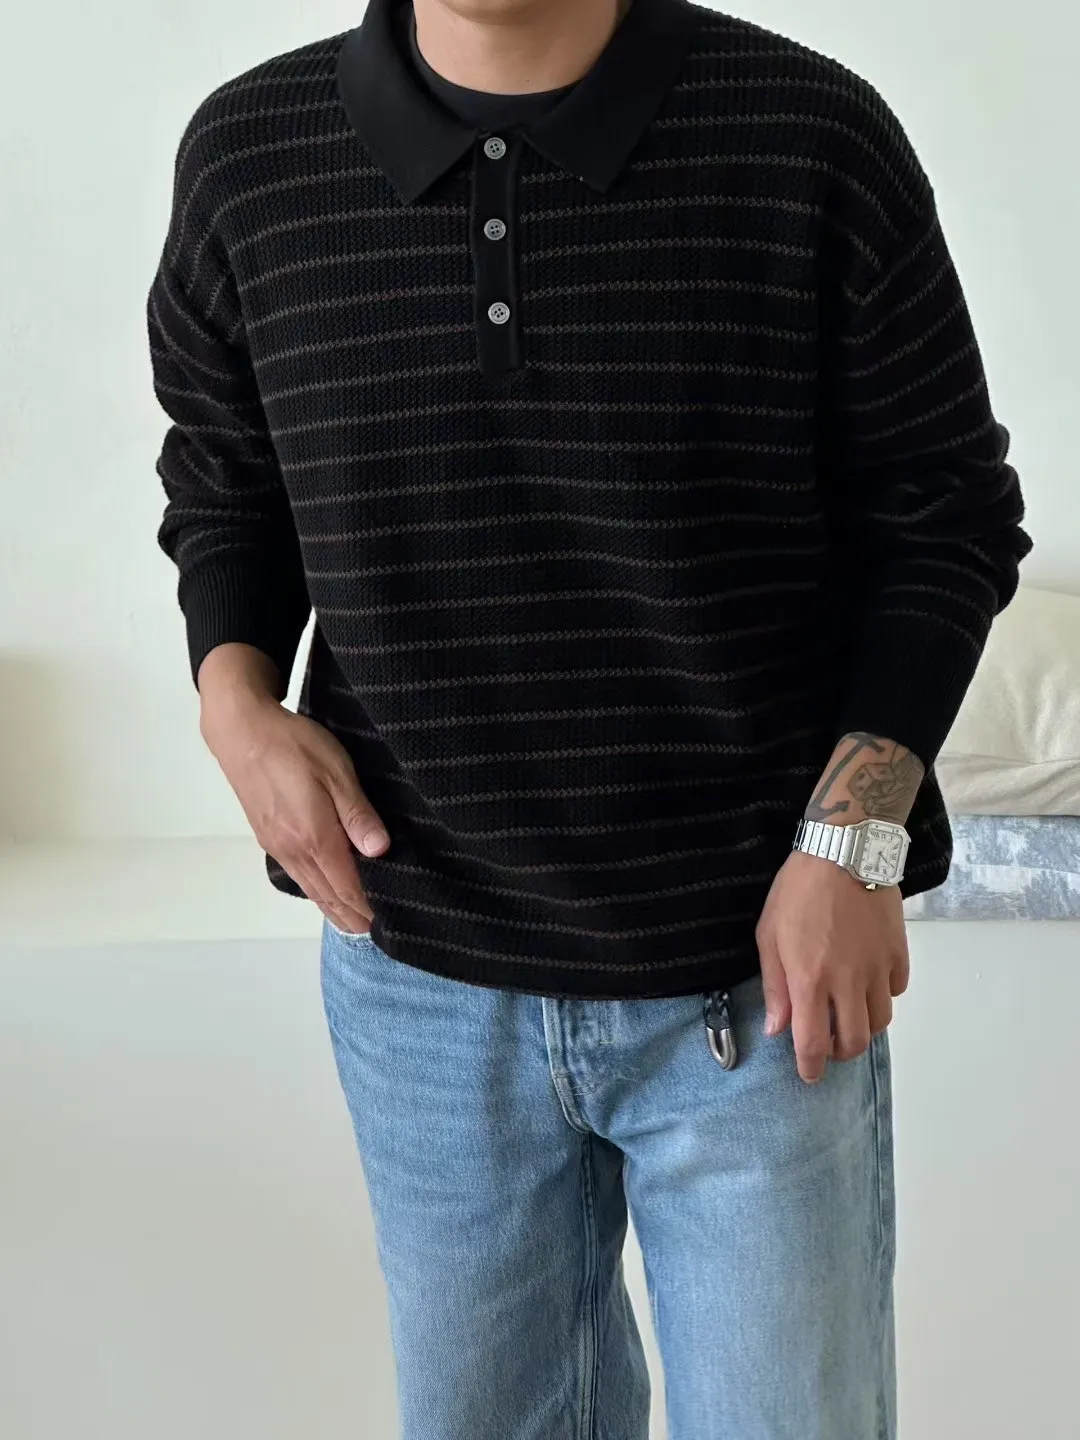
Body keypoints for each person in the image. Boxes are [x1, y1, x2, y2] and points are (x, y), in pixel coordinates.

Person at [145, 0, 1032, 1435]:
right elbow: (226, 479)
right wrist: (232, 698)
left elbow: (945, 517)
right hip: (420, 972)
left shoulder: (811, 136)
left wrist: (852, 845)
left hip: (760, 977)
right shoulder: (251, 156)